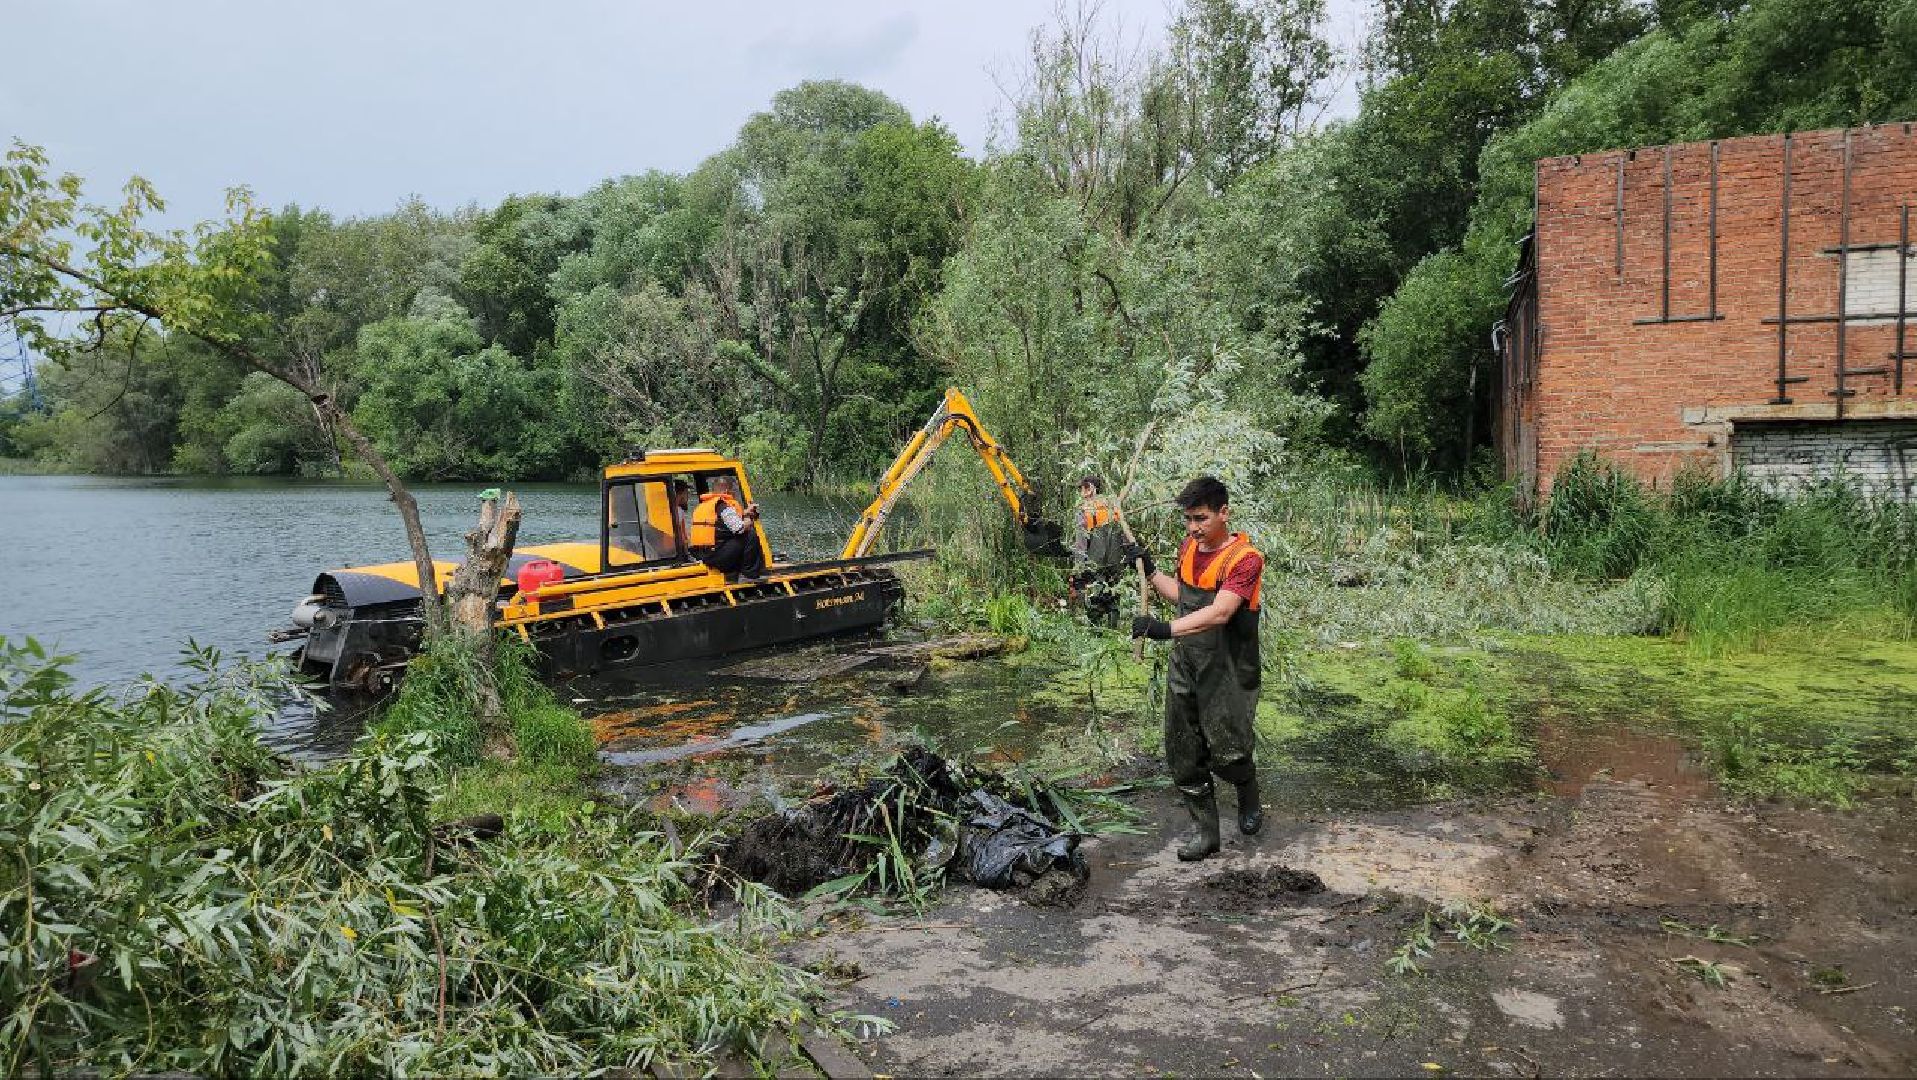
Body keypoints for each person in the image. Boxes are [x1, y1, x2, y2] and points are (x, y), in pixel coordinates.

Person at [1128, 475, 1265, 861]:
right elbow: (1185, 597)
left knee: (1229, 751)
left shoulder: (1246, 559)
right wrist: (1152, 574)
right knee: (1182, 748)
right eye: (1188, 519)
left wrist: (1164, 630)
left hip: (1229, 670)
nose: (1193, 528)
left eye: (1201, 518)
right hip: (1187, 662)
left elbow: (1220, 612)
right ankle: (1206, 833)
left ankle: (1247, 788)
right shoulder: (1190, 546)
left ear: (1224, 512)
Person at [1070, 475, 1128, 625]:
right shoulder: (1113, 506)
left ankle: (1096, 629)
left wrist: (1078, 567)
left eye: (1082, 488)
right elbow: (1125, 535)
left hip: (1095, 559)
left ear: (1089, 489)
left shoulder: (1083, 511)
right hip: (1116, 560)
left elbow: (1081, 543)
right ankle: (1113, 628)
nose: (1080, 492)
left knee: (1095, 592)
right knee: (1114, 592)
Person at [689, 474, 766, 579]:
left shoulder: (705, 505)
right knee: (750, 534)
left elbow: (722, 521)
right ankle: (749, 574)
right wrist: (750, 518)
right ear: (726, 491)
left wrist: (744, 513)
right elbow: (739, 528)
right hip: (718, 557)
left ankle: (737, 570)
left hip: (704, 555)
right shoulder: (722, 506)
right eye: (732, 490)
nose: (734, 493)